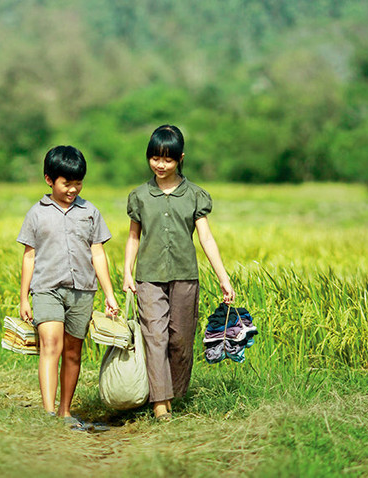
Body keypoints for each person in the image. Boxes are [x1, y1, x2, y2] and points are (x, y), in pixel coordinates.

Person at [123, 124, 235, 421]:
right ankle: (160, 401)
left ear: (180, 158)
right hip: (148, 276)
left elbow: (206, 238)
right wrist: (126, 272)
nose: (160, 165)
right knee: (155, 337)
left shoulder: (195, 195)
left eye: (167, 159)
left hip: (185, 276)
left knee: (180, 340)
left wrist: (223, 278)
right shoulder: (140, 196)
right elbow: (134, 236)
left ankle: (174, 392)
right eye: (154, 158)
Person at [17, 145, 119, 428]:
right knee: (51, 345)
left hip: (83, 291)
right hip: (47, 289)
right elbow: (29, 256)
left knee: (73, 351)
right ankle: (49, 414)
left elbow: (98, 253)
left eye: (78, 182)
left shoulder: (90, 211)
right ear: (49, 180)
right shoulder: (36, 213)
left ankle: (65, 411)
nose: (73, 189)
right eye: (67, 183)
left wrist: (109, 294)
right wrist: (24, 297)